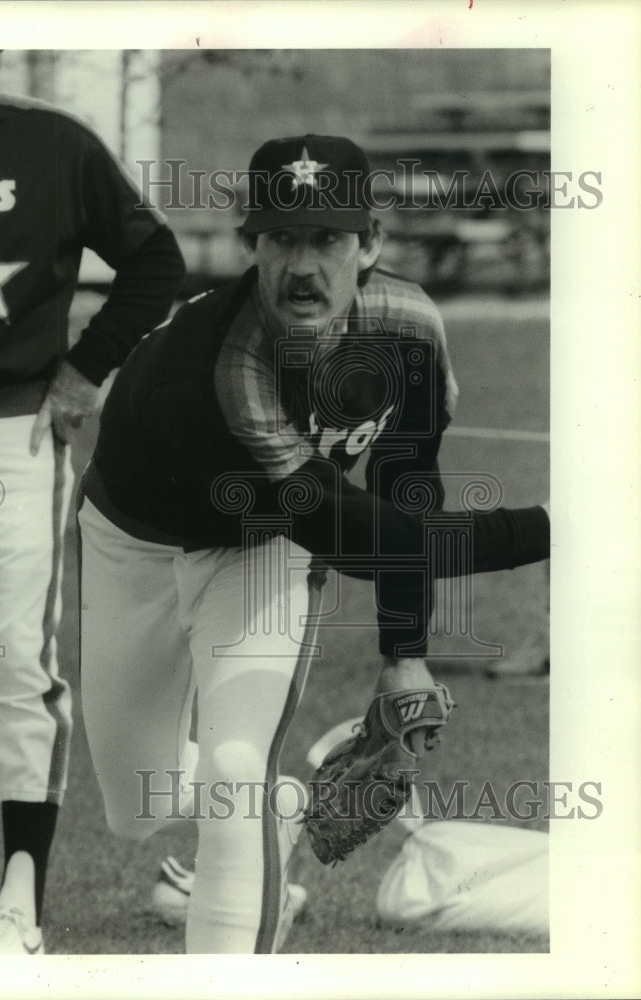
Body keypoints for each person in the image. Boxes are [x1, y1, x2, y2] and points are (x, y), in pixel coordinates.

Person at [77, 134, 550, 953]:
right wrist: (554, 528)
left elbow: (409, 484)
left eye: (328, 239)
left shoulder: (406, 326)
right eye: (283, 239)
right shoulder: (222, 368)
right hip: (134, 543)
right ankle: (284, 808)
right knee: (139, 809)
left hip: (264, 550)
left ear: (371, 242)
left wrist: (405, 651)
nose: (304, 265)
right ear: (248, 245)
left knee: (233, 772)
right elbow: (366, 539)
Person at [0, 49, 185, 955]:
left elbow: (155, 258)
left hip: (9, 430)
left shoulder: (50, 143)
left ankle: (21, 906)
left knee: (13, 661)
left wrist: (86, 369)